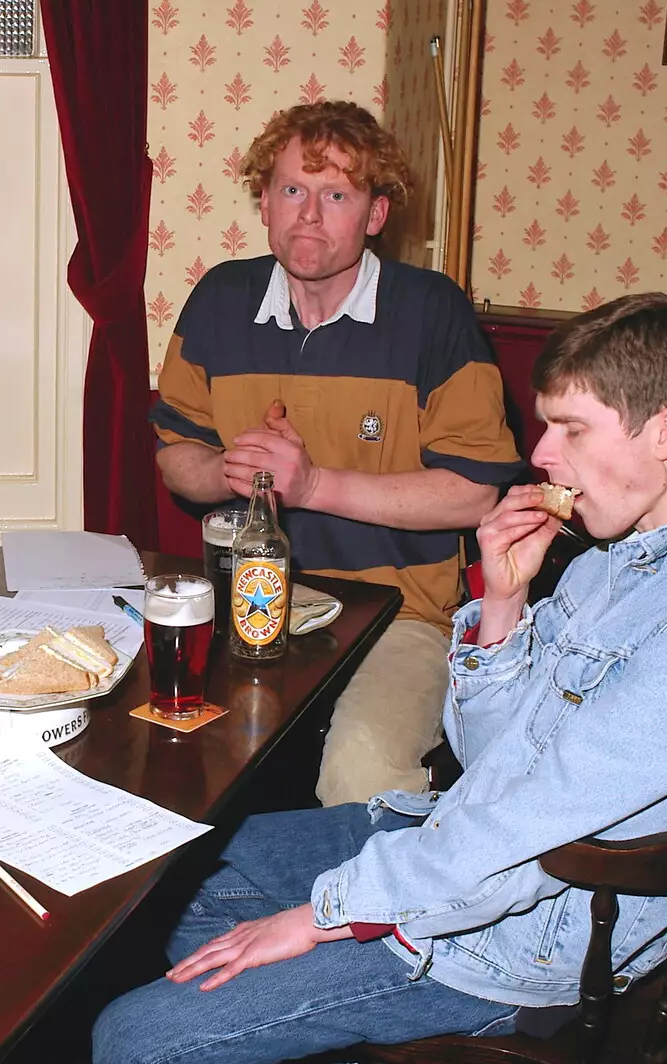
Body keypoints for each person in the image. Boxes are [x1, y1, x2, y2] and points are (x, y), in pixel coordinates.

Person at [96, 292, 667, 1064]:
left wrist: (322, 916)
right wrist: (503, 602)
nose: (541, 454)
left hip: (520, 944)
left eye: (572, 428)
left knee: (135, 1036)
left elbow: (519, 836)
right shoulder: (625, 556)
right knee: (162, 884)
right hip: (471, 846)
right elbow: (493, 759)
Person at [150, 100, 524, 807]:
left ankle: (365, 916)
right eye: (293, 190)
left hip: (400, 614)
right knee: (167, 749)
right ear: (264, 202)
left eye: (337, 195)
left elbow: (475, 493)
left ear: (375, 214)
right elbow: (177, 455)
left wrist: (311, 484)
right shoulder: (220, 300)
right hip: (249, 608)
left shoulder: (432, 311)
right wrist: (228, 470)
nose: (310, 215)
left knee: (361, 771)